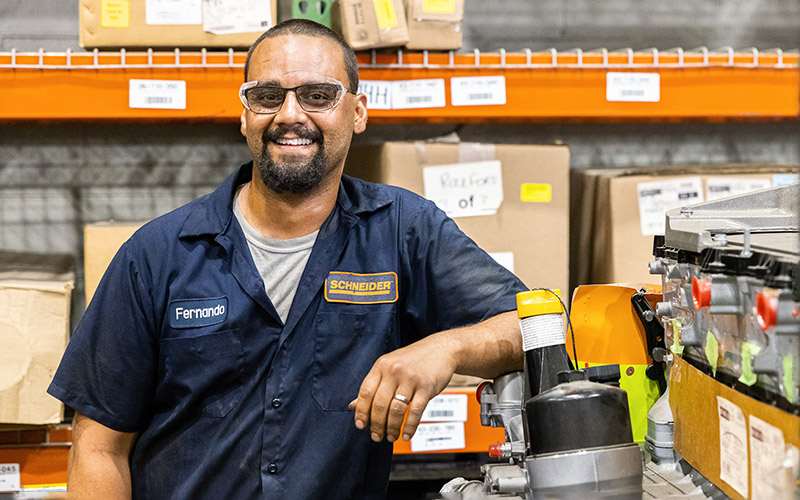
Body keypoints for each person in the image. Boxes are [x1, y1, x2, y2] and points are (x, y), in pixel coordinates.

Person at [48, 19, 527, 500]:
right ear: (244, 114)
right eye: (268, 96)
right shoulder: (158, 255)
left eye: (318, 95)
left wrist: (443, 349)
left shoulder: (401, 230)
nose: (290, 115)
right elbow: (98, 450)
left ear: (358, 112)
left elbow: (539, 327)